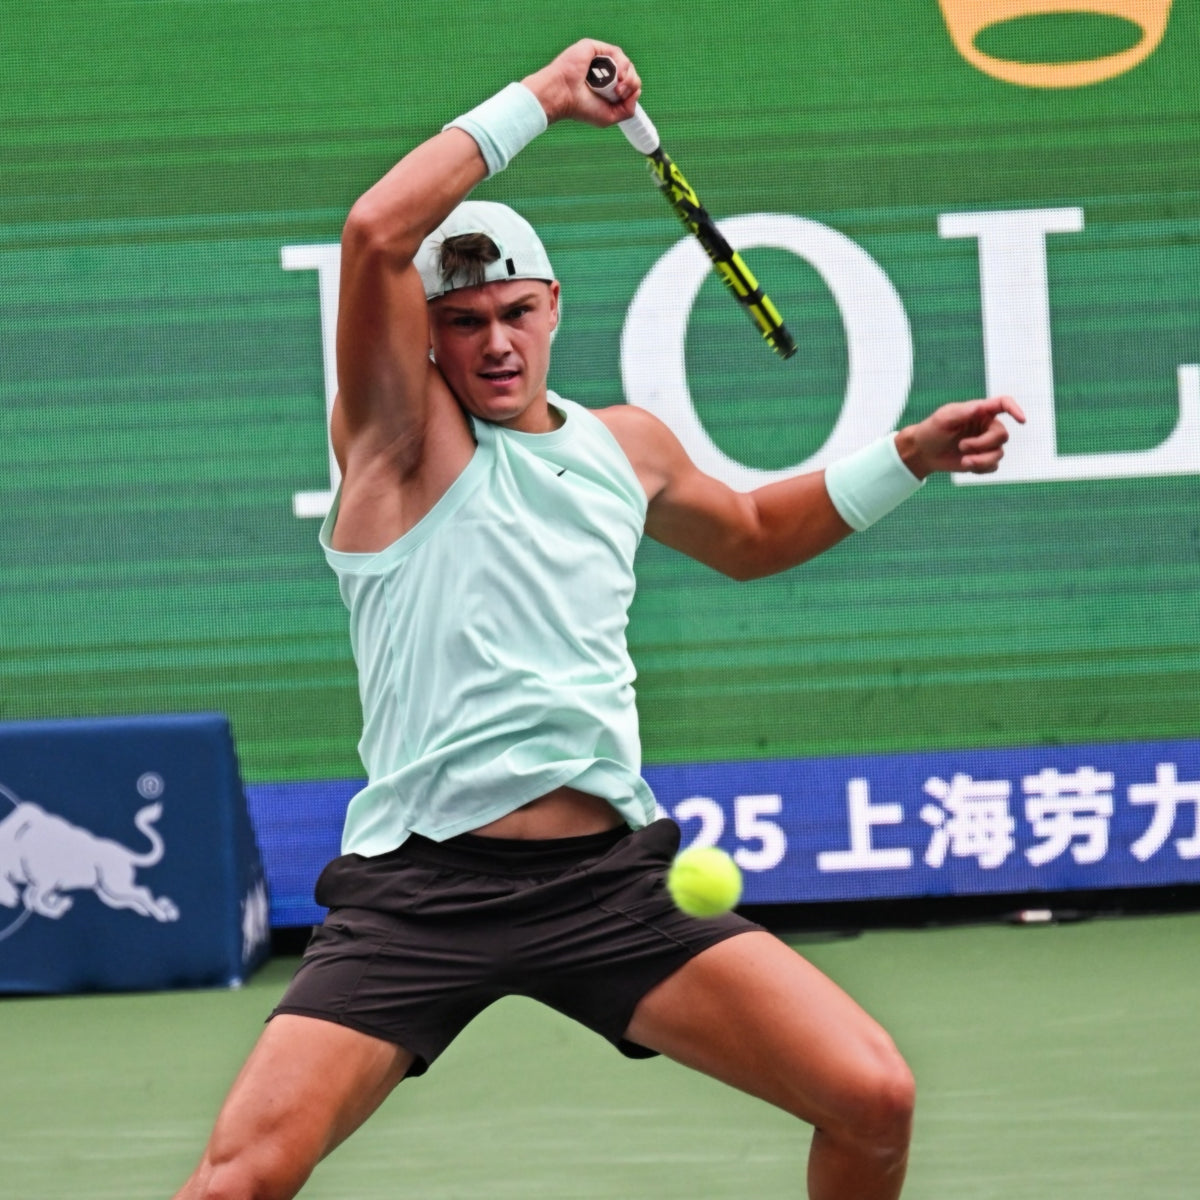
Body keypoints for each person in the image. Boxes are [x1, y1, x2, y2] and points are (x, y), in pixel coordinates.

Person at [174, 38, 1024, 1200]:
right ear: (425, 333)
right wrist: (544, 99)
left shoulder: (624, 446)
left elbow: (756, 536)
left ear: (555, 306)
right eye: (462, 320)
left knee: (873, 1097)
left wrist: (909, 456)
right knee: (239, 1181)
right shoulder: (396, 443)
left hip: (612, 887)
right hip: (423, 892)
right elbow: (377, 232)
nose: (495, 342)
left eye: (515, 312)